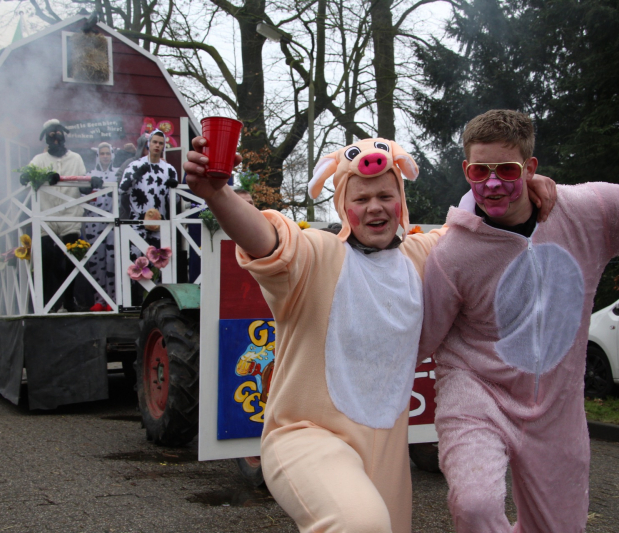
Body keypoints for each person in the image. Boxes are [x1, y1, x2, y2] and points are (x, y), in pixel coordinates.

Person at [184, 135, 556, 532]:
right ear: (344, 207)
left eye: (385, 195)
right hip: (307, 437)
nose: (375, 207)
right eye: (360, 199)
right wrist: (218, 195)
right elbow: (267, 240)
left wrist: (528, 189)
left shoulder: (423, 256)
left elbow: (476, 222)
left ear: (401, 201)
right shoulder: (318, 255)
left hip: (387, 451)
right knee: (360, 524)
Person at [418, 109, 619, 533]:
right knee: (476, 506)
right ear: (466, 170)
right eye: (481, 170)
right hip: (477, 395)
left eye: (507, 170)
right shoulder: (453, 254)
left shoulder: (591, 211)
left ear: (531, 167)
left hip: (557, 405)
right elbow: (421, 339)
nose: (492, 183)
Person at [28, 119, 87, 312]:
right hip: (46, 217)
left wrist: (92, 183)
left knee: (72, 258)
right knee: (47, 259)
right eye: (51, 135)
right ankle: (47, 303)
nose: (55, 138)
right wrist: (43, 178)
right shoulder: (38, 160)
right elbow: (27, 179)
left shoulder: (76, 159)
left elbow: (83, 182)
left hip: (70, 215)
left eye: (58, 134)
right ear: (45, 138)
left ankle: (69, 301)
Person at [119, 129, 178, 253]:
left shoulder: (169, 170)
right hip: (138, 222)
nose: (157, 145)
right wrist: (135, 176)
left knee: (159, 264)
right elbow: (122, 190)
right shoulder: (135, 165)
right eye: (154, 142)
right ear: (148, 143)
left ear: (163, 147)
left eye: (160, 143)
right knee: (137, 265)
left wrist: (173, 189)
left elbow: (175, 201)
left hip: (160, 224)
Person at [84, 142, 118, 311]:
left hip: (112, 223)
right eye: (102, 153)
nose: (105, 156)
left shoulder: (118, 174)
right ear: (98, 155)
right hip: (93, 223)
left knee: (112, 261)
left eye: (108, 153)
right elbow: (80, 192)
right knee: (96, 262)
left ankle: (112, 300)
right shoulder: (89, 174)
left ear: (112, 155)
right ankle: (99, 299)